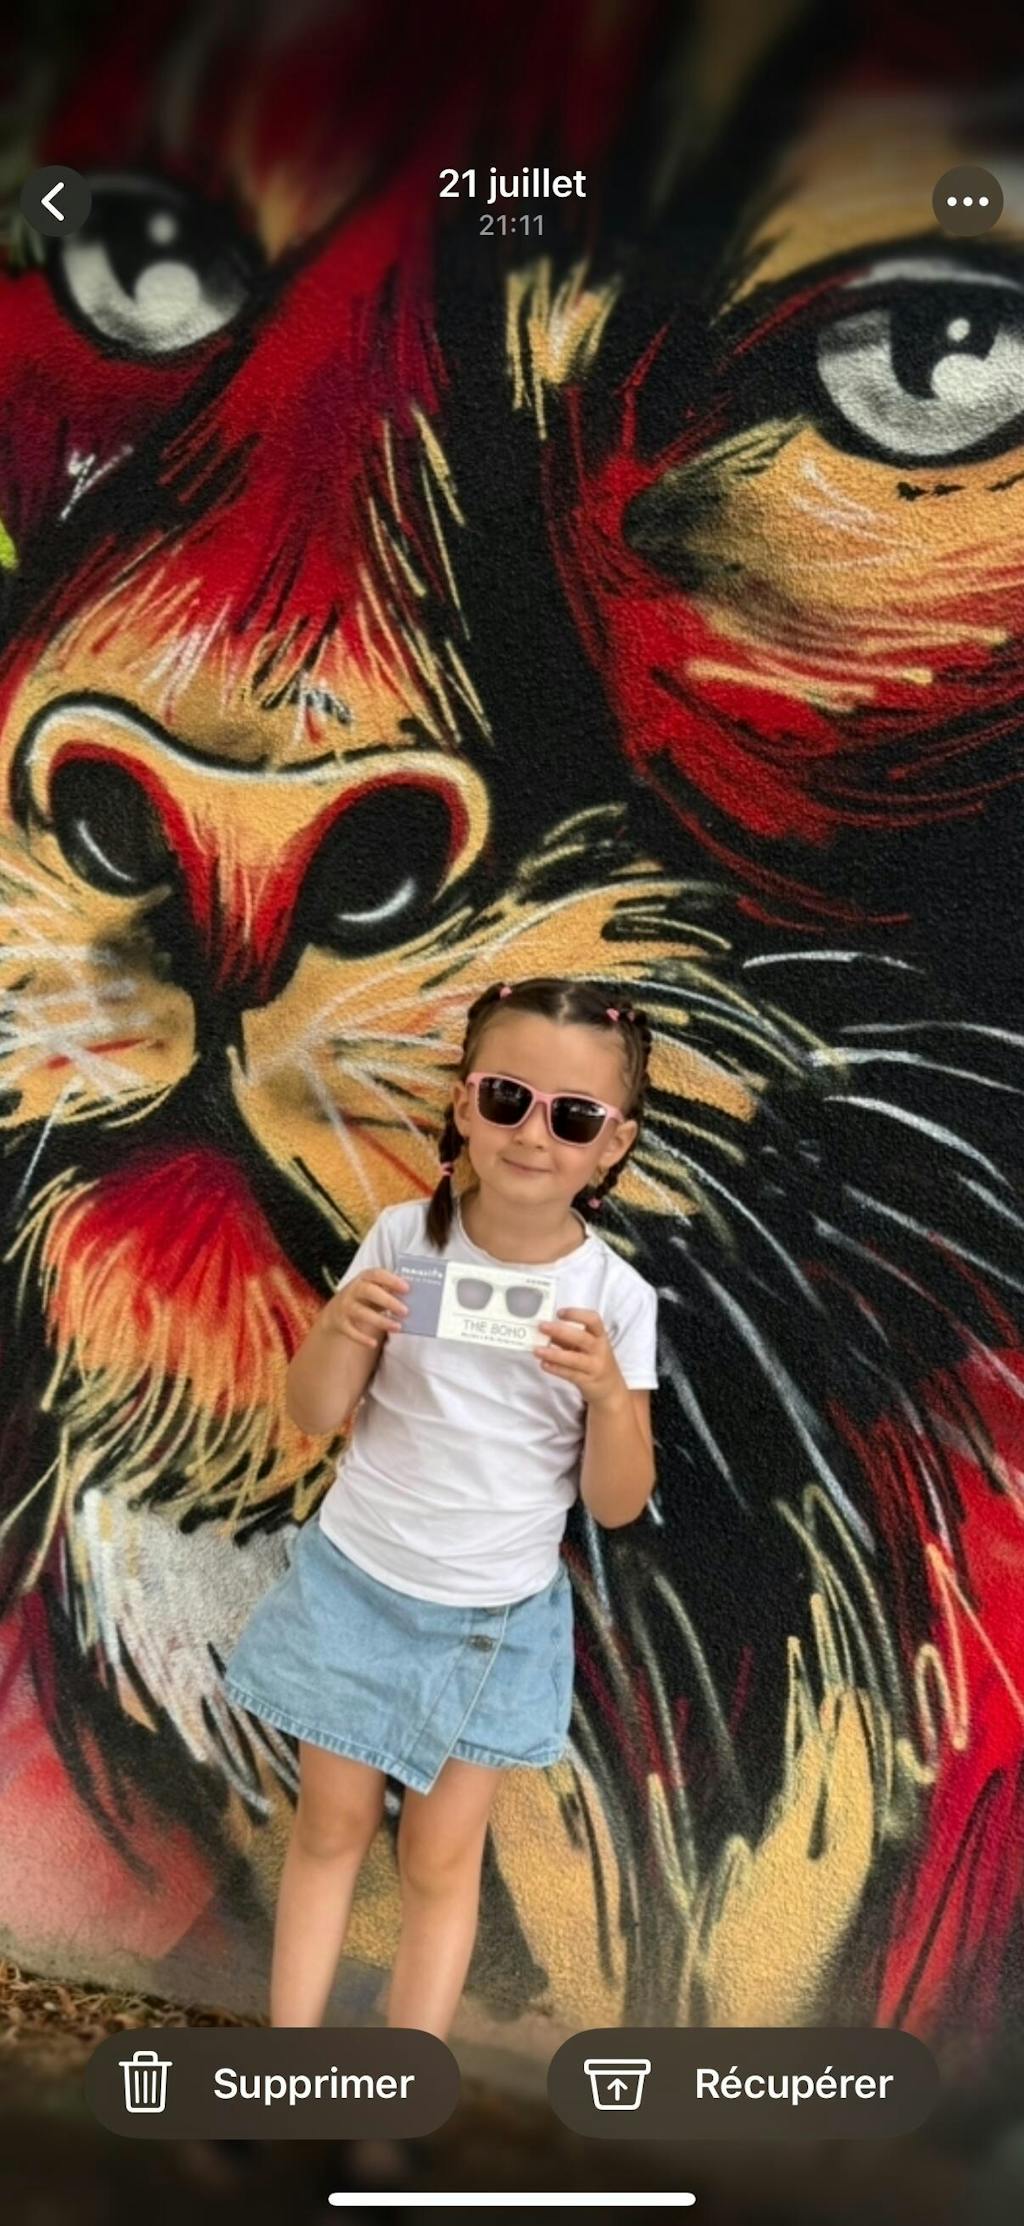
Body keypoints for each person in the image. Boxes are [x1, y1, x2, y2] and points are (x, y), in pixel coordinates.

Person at [220, 974, 660, 2039]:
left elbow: (615, 1505)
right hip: (355, 1586)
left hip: (491, 1622)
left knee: (437, 1859)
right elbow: (313, 1411)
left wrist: (609, 1396)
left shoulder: (615, 1300)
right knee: (328, 1831)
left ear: (614, 1145)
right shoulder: (397, 1243)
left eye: (573, 1117)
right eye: (507, 1099)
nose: (533, 1134)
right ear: (464, 1103)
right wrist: (341, 1327)